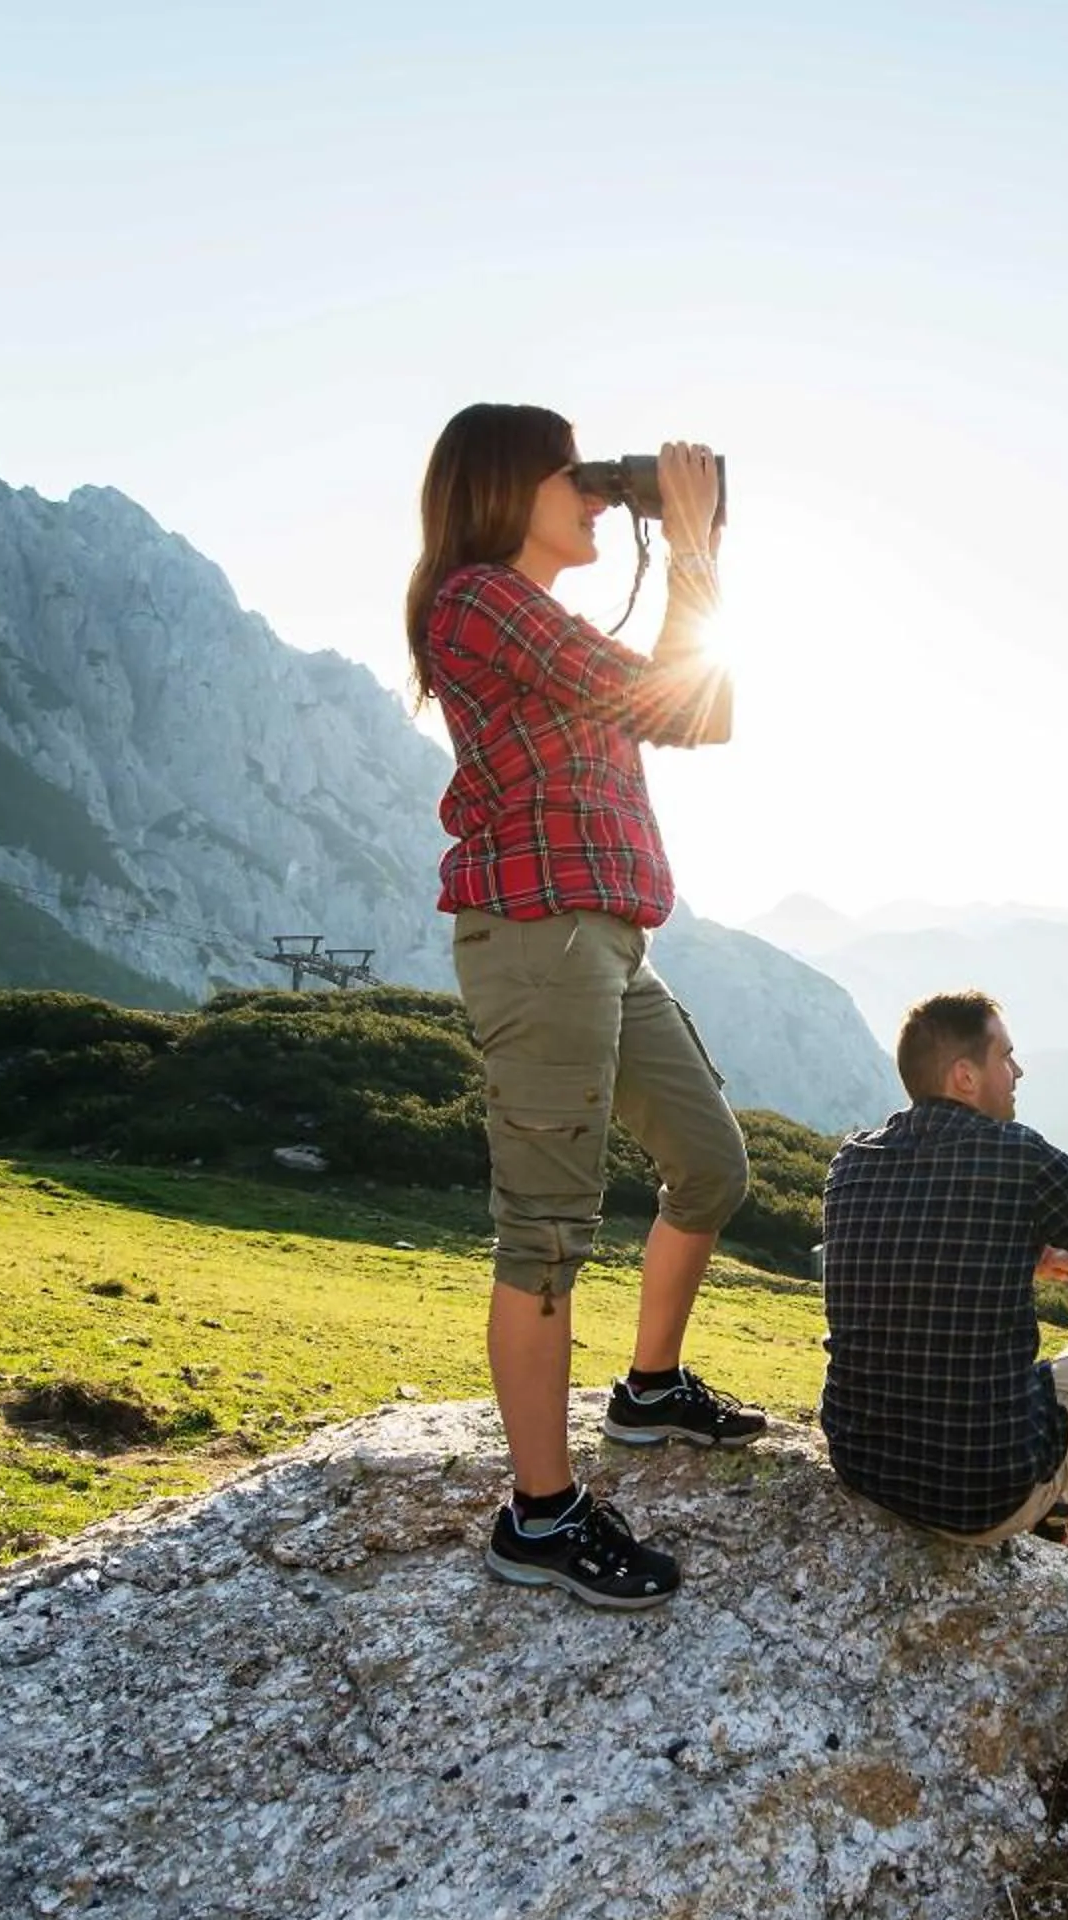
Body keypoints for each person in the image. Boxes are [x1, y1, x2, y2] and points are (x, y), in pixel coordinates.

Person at [406, 403, 762, 1611]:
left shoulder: (533, 617)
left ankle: (649, 1390)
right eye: (580, 478)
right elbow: (677, 703)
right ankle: (542, 1515)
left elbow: (695, 710)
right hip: (539, 936)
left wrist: (690, 541)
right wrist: (697, 544)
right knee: (547, 1229)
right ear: (507, 490)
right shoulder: (476, 599)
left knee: (711, 1164)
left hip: (605, 937)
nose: (603, 497)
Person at [818, 991, 1068, 1569]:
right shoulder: (1022, 1158)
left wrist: (1024, 1248)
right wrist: (1061, 1234)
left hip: (864, 1467)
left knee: (997, 1373)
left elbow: (910, 1260)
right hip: (980, 1496)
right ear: (965, 1076)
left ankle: (1057, 1500)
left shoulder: (851, 1163)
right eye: (1005, 1057)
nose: (1018, 1072)